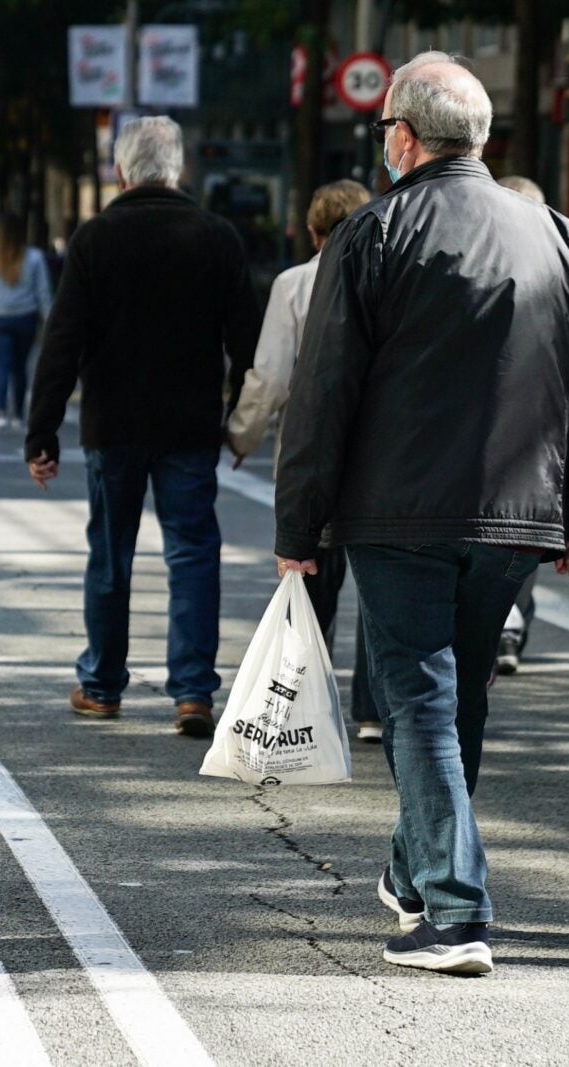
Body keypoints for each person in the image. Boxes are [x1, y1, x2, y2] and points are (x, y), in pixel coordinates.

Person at [272, 54, 569, 976]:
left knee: (417, 695)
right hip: (517, 513)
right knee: (458, 692)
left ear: (405, 137)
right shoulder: (556, 232)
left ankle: (456, 911)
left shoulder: (374, 233)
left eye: (385, 128)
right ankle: (416, 871)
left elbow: (325, 390)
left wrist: (297, 527)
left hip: (400, 511)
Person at [25, 116, 257, 741]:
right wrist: (242, 421)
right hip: (189, 425)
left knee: (111, 554)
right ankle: (192, 693)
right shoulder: (218, 237)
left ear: (121, 171)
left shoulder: (96, 238)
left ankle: (101, 686)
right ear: (177, 169)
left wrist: (40, 434)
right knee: (193, 553)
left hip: (115, 424)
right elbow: (249, 342)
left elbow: (63, 341)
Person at [225, 179, 381, 739]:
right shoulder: (385, 275)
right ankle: (372, 709)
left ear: (314, 232)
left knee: (309, 577)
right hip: (377, 450)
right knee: (378, 585)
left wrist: (242, 436)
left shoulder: (294, 283)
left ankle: (307, 707)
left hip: (310, 450)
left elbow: (268, 377)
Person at [490, 174, 554, 681]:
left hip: (484, 449)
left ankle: (502, 628)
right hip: (537, 448)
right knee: (519, 552)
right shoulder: (562, 268)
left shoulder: (471, 264)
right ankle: (508, 626)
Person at [0, 213, 54, 432]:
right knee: (20, 367)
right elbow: (43, 292)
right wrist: (51, 321)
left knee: (1, 365)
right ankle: (18, 415)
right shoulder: (34, 257)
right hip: (25, 316)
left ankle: (0, 413)